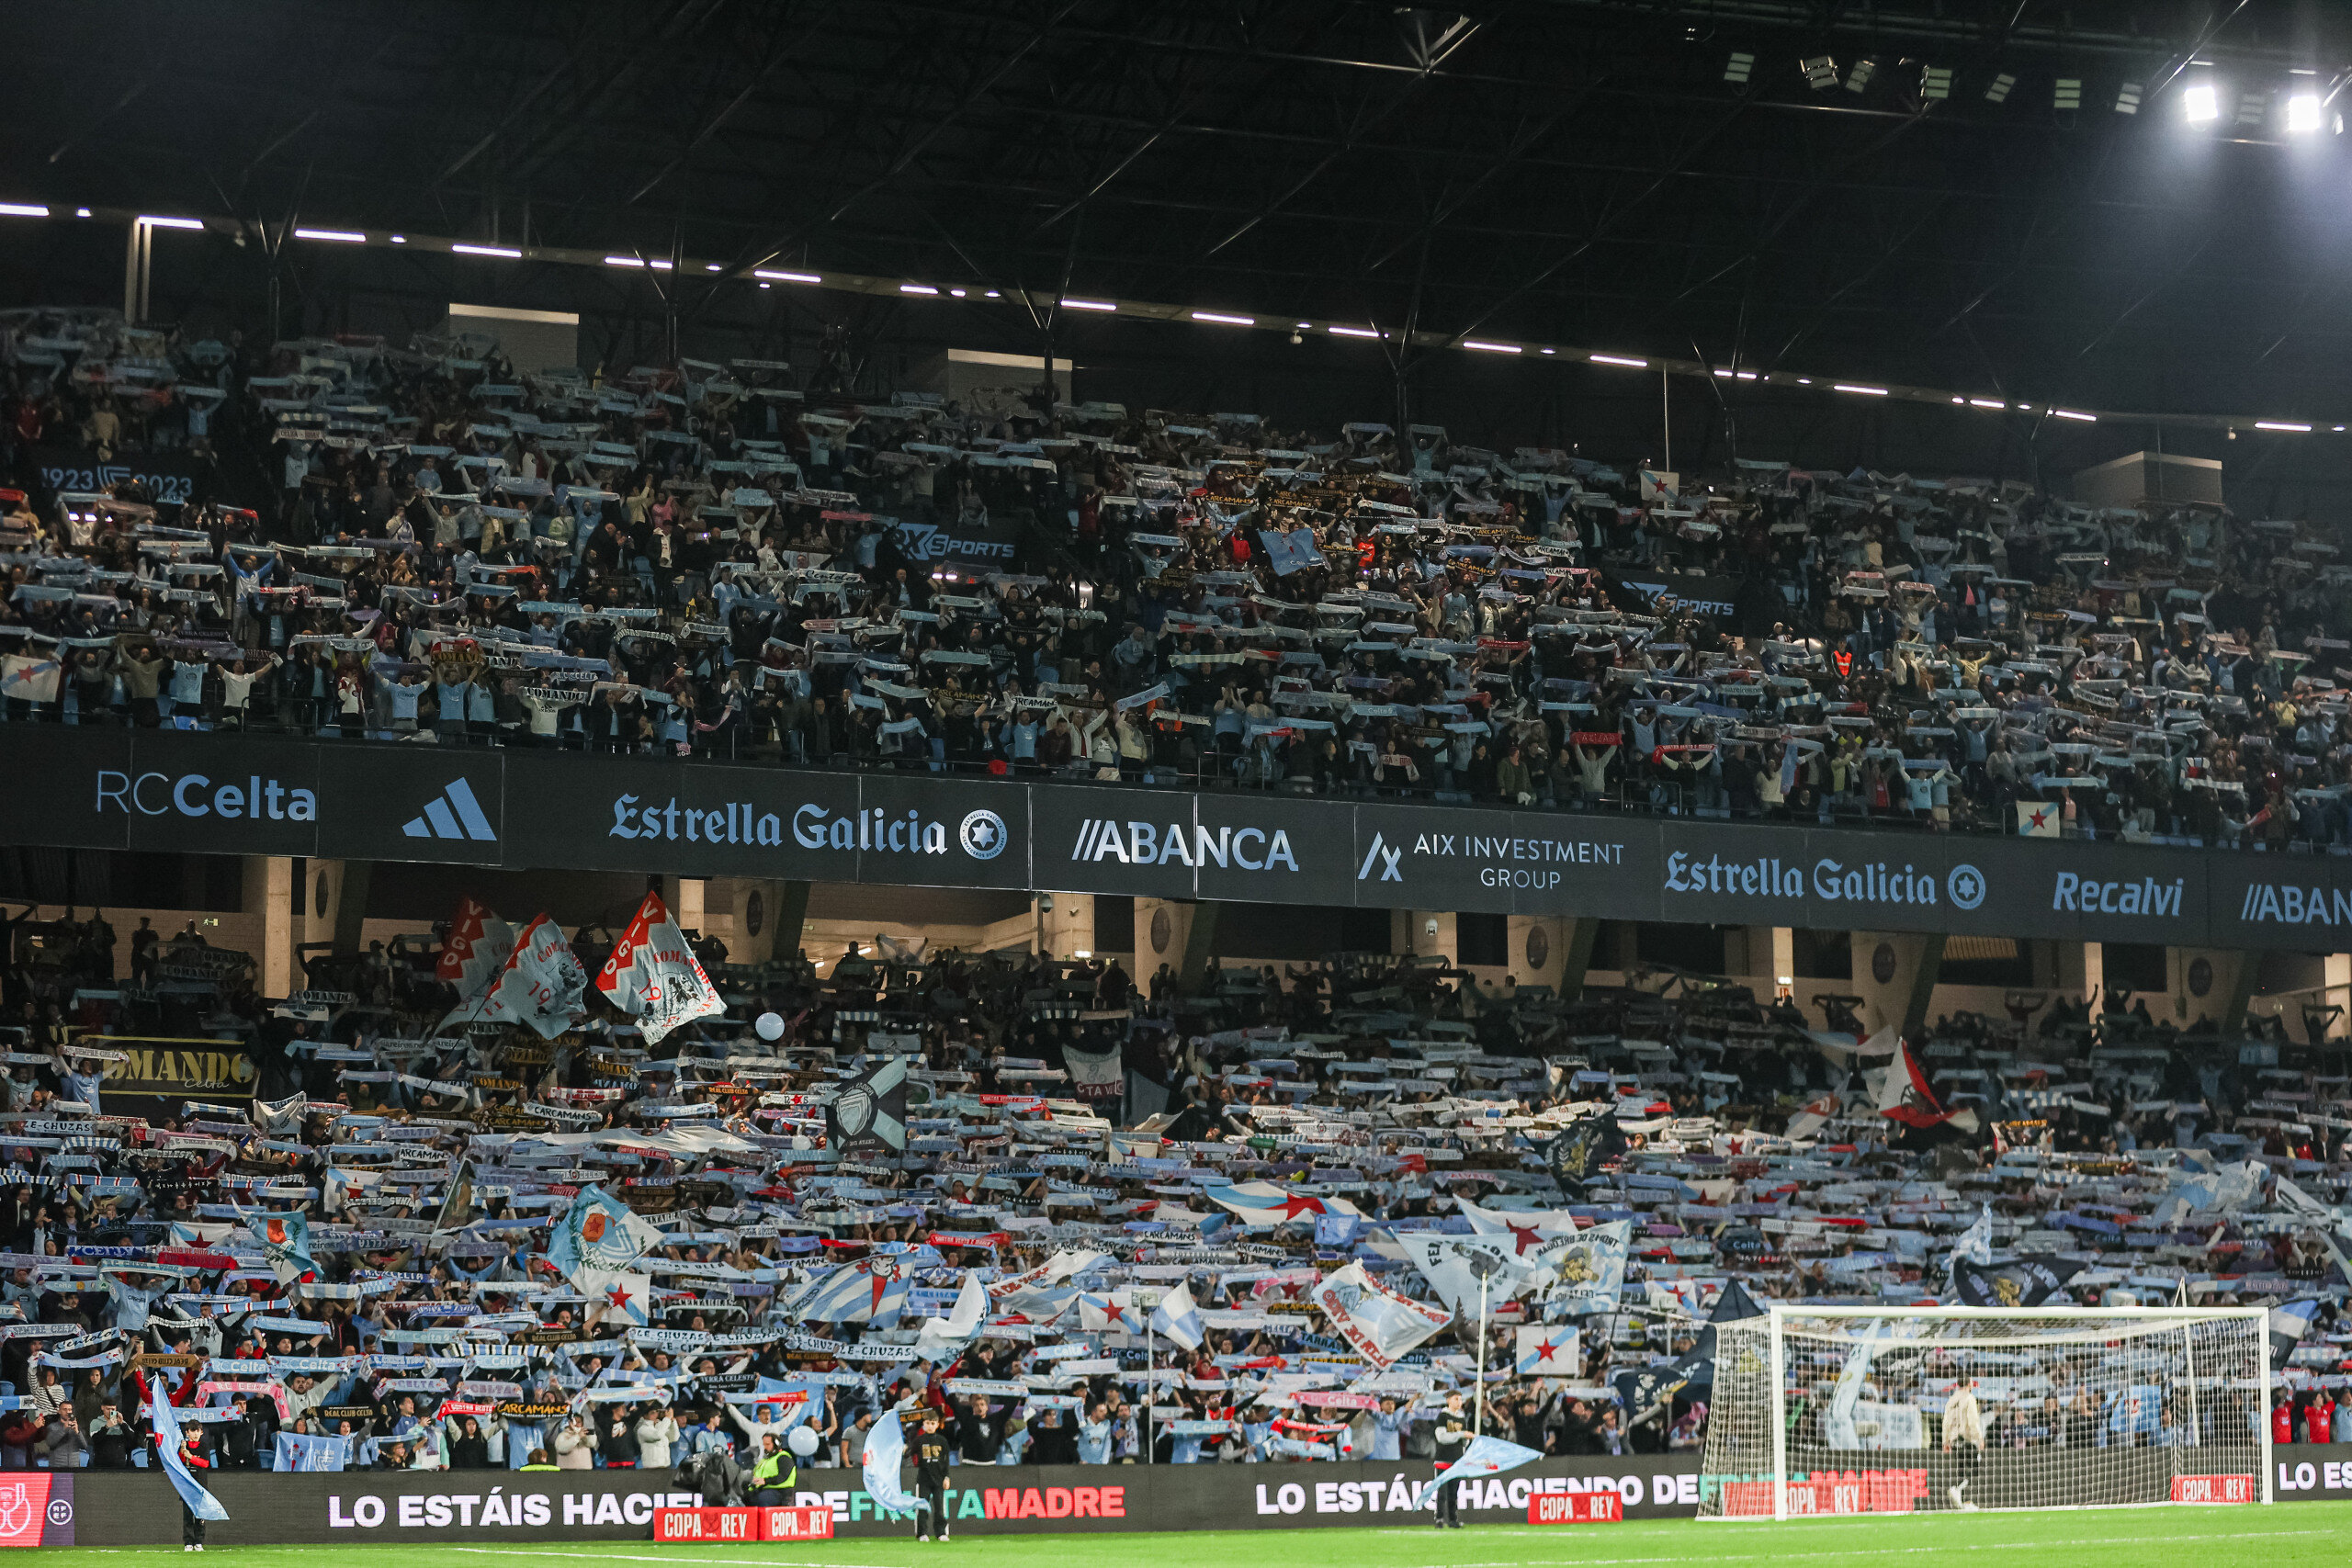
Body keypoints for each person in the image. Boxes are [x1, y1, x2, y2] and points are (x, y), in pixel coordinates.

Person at [1944, 1377, 1985, 1510]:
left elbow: (1946, 1422)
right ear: (1969, 1384)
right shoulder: (1969, 1398)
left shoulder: (1951, 1400)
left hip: (1955, 1441)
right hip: (1967, 1439)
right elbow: (1973, 1421)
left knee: (1962, 1469)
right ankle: (1958, 1490)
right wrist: (1979, 1438)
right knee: (1976, 1469)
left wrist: (1946, 1441)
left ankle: (1964, 1500)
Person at [1430, 1392, 1470, 1529]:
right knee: (1442, 1491)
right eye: (1456, 1399)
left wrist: (1466, 1439)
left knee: (1454, 1492)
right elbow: (1442, 1437)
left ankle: (1453, 1519)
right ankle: (1439, 1518)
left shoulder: (1462, 1419)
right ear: (1448, 1400)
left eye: (1460, 1399)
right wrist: (1461, 1434)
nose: (1459, 1402)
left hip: (1457, 1459)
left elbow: (1463, 1442)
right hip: (1443, 1458)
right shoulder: (1442, 1417)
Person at [913, 1411, 952, 1541]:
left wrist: (947, 1477)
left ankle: (941, 1532)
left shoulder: (942, 1441)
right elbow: (909, 1453)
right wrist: (903, 1449)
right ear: (924, 1424)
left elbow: (946, 1461)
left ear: (937, 1424)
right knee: (922, 1507)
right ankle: (922, 1533)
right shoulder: (919, 1440)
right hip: (924, 1479)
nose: (930, 1426)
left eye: (933, 1423)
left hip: (939, 1480)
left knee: (939, 1508)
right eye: (928, 1423)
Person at [748, 1431, 796, 1505]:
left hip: (781, 1491)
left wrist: (765, 1481)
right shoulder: (764, 1461)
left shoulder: (783, 1457)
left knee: (761, 1499)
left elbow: (783, 1476)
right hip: (763, 1489)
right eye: (764, 1445)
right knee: (745, 1498)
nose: (765, 1447)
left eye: (767, 1444)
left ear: (776, 1445)